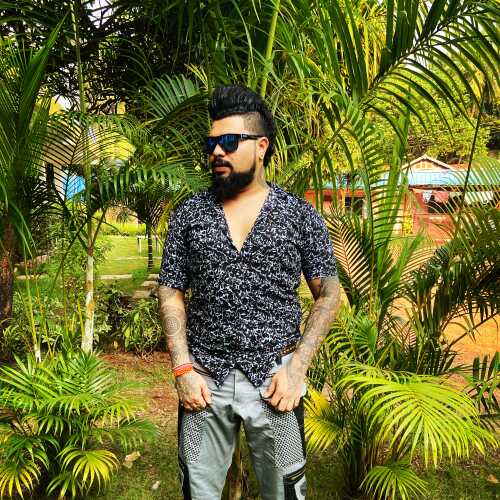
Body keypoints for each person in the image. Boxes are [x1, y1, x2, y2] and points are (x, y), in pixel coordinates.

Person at [158, 85, 341, 500]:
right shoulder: (189, 214)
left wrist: (297, 369)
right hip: (203, 384)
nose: (216, 152)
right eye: (211, 143)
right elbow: (170, 291)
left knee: (287, 490)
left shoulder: (298, 215)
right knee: (196, 490)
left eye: (228, 141)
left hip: (277, 384)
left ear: (261, 146)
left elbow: (329, 293)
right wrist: (183, 369)